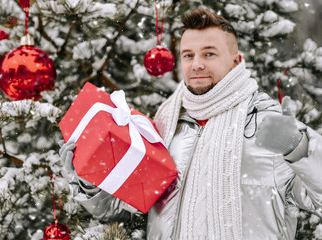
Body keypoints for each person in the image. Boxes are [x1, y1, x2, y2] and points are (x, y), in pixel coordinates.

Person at [59, 8, 322, 240]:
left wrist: (298, 148)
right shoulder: (163, 127)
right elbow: (126, 211)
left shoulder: (269, 126)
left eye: (209, 53)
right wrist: (91, 181)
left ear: (236, 60)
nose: (196, 64)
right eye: (188, 55)